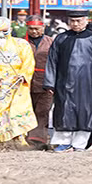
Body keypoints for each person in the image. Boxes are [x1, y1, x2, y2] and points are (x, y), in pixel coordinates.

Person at [43, 9, 92, 152]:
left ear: (86, 21)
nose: (75, 24)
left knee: (86, 112)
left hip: (88, 83)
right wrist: (50, 82)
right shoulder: (61, 38)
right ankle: (63, 143)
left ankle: (80, 144)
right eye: (72, 21)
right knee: (64, 111)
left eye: (78, 21)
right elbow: (52, 61)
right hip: (64, 82)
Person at [0, 17, 36, 144]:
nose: (0, 35)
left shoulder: (22, 44)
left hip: (18, 83)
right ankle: (0, 138)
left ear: (10, 30)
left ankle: (20, 136)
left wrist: (23, 74)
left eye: (4, 31)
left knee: (19, 108)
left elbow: (29, 61)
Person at [25, 14, 54, 148]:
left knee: (43, 111)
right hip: (25, 83)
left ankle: (38, 140)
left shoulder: (51, 43)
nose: (34, 31)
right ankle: (25, 139)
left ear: (43, 27)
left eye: (37, 28)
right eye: (31, 29)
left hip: (46, 82)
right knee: (26, 110)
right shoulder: (20, 42)